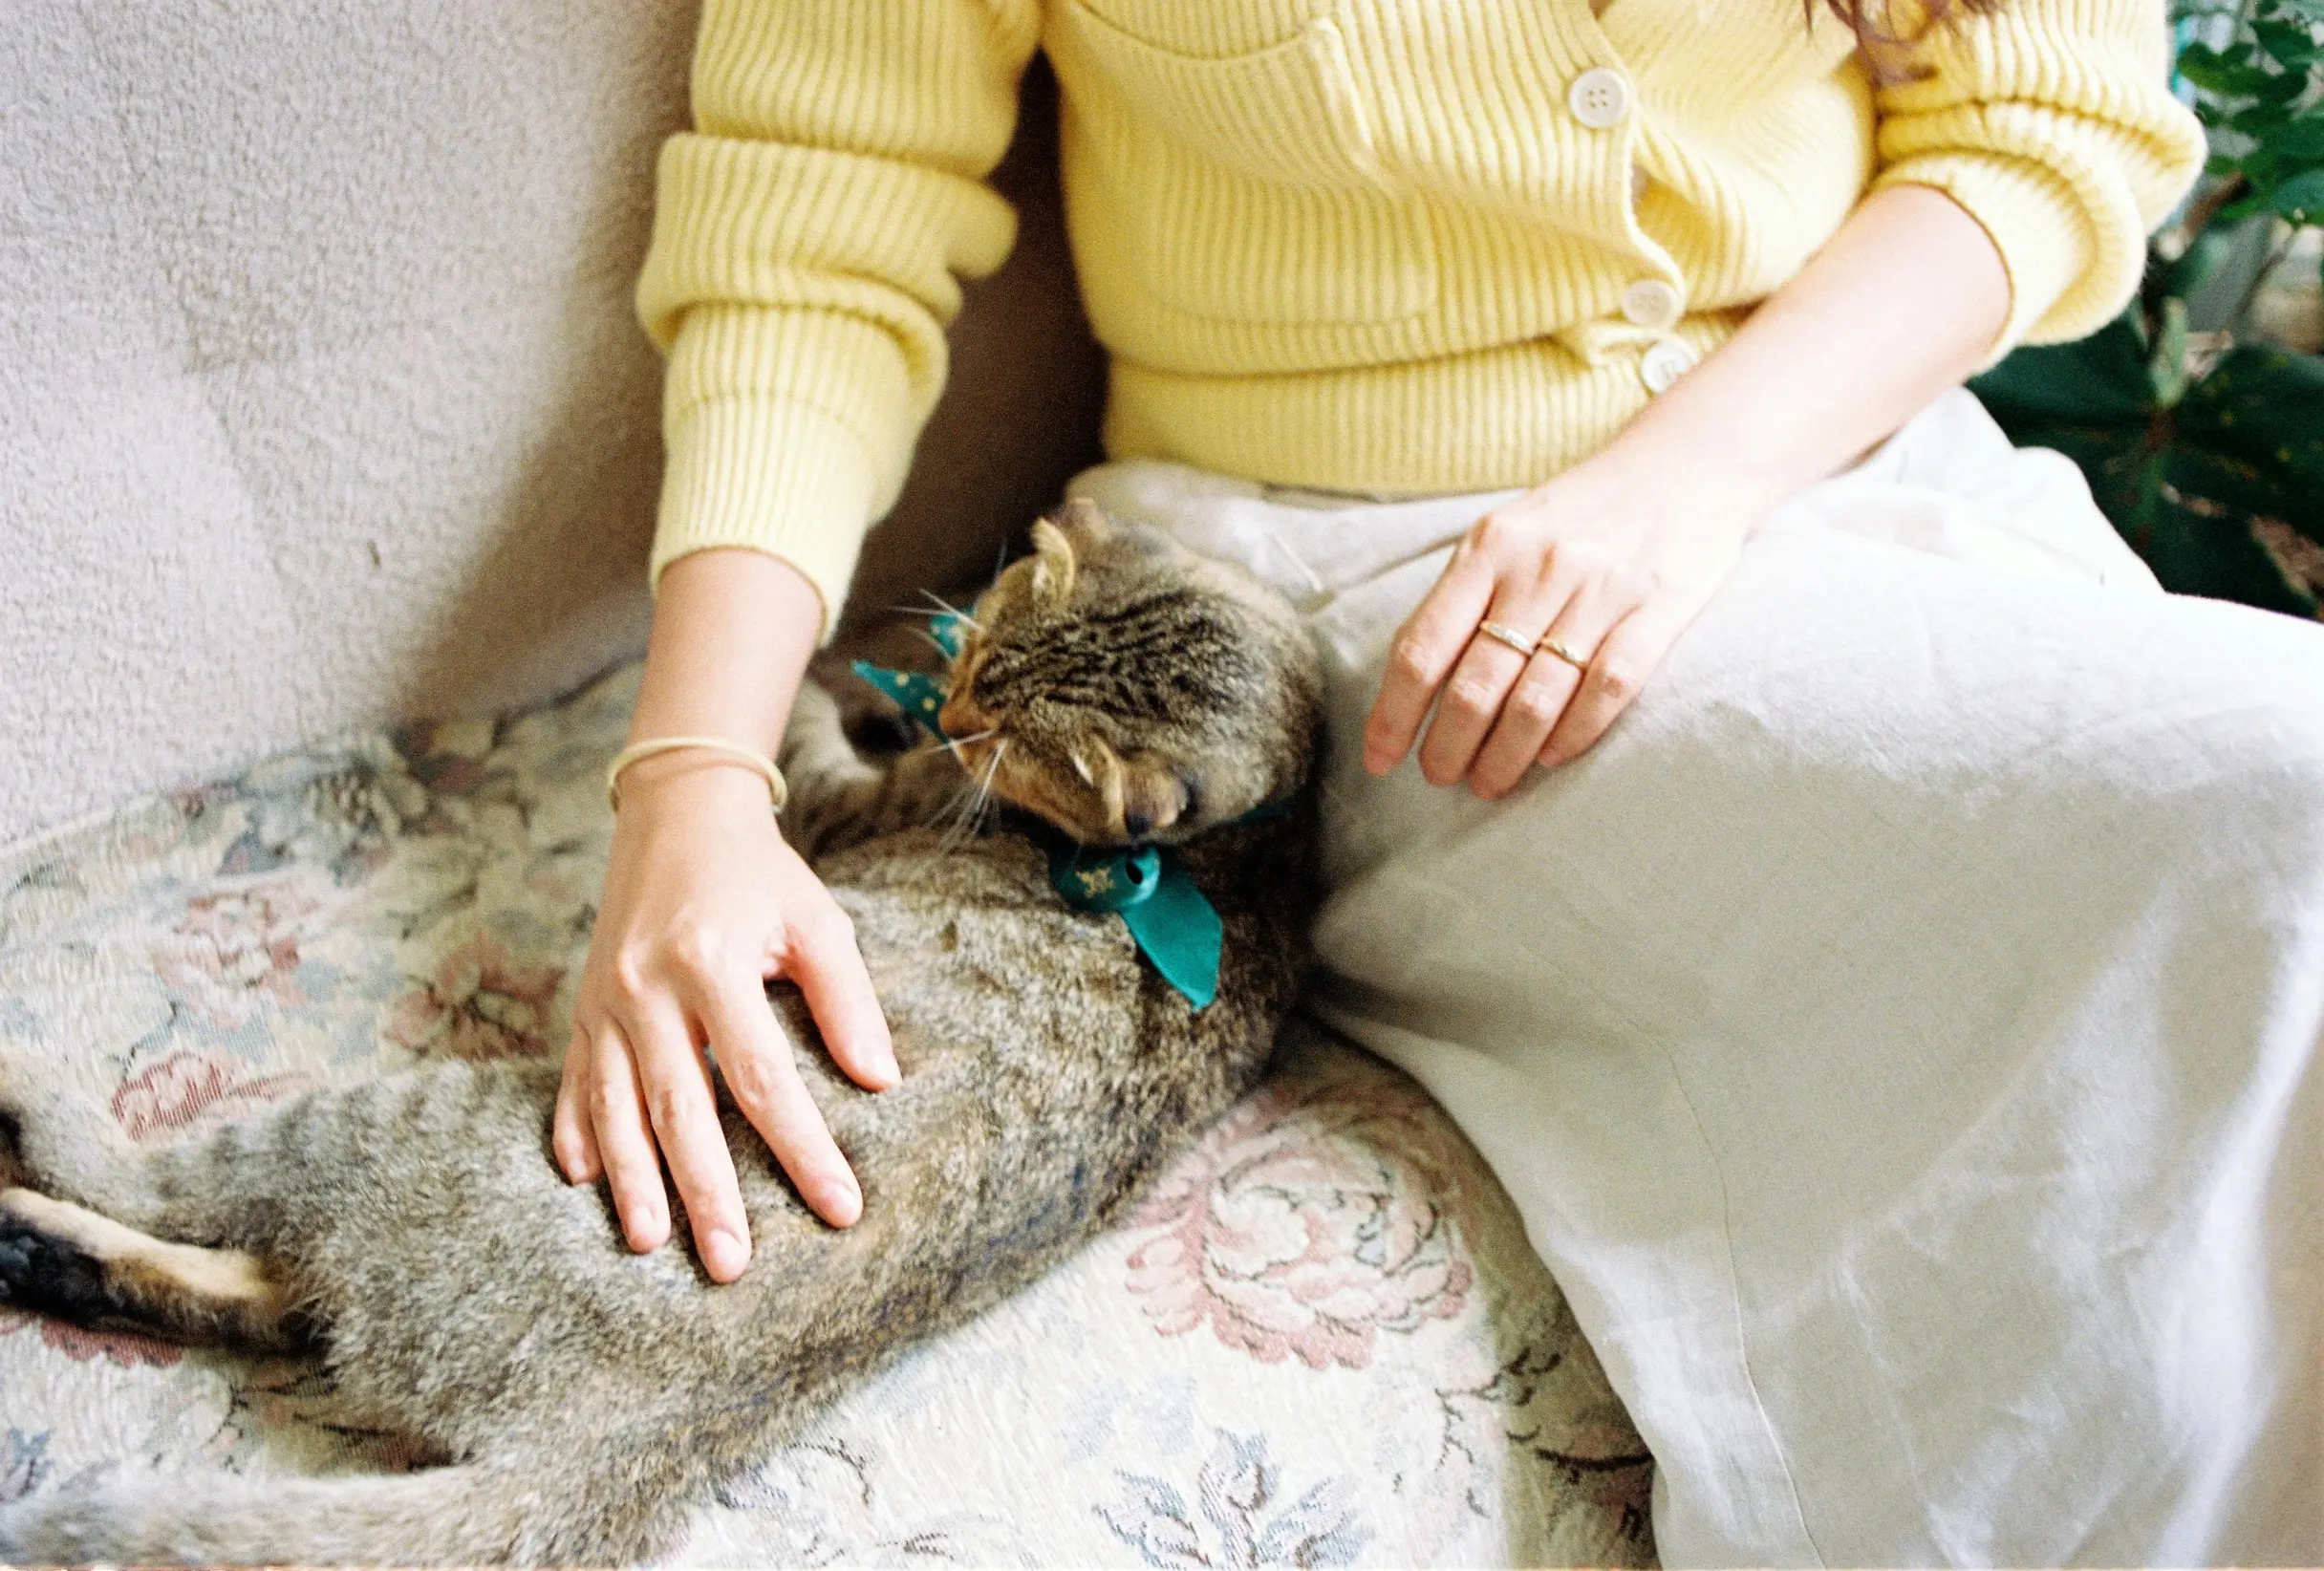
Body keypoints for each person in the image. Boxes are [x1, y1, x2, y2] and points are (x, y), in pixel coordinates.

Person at [550, 1, 2323, 1561]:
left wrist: (1685, 481)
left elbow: (2053, 109)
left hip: (1859, 458)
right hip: (1382, 603)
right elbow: (815, 229)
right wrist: (694, 778)